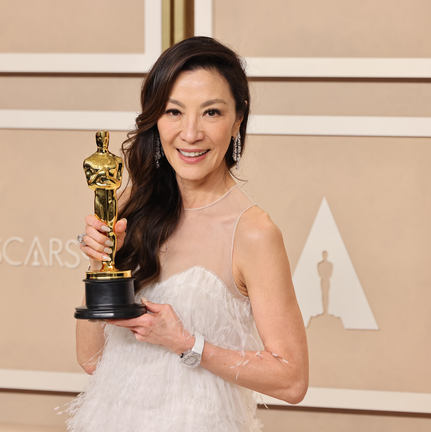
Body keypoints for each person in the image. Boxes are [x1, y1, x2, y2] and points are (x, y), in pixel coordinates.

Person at [68, 36, 309, 432]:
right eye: (174, 112)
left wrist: (186, 343)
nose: (191, 133)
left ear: (238, 120)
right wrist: (100, 265)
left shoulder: (253, 233)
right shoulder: (133, 207)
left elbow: (292, 380)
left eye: (211, 112)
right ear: (156, 119)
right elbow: (92, 360)